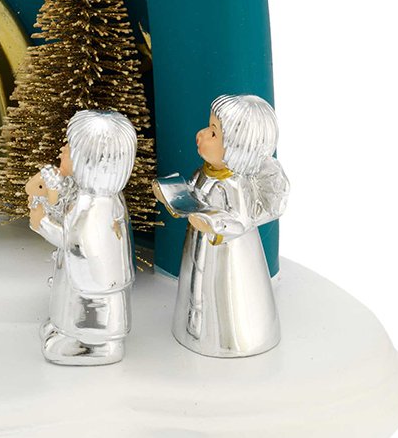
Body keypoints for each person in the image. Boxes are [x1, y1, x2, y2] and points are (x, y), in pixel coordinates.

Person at [160, 94, 289, 358]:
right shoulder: (204, 172)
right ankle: (194, 329)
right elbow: (194, 195)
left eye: (213, 133)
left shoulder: (234, 184)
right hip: (200, 249)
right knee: (198, 288)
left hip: (231, 256)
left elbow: (238, 221)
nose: (201, 134)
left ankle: (238, 337)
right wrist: (174, 194)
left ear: (236, 149)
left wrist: (211, 223)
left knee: (227, 297)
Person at [31, 110, 136, 365]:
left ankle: (96, 344)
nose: (62, 150)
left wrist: (42, 223)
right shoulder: (87, 196)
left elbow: (75, 243)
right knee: (69, 299)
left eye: (69, 147)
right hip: (77, 279)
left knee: (85, 308)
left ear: (89, 161)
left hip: (94, 287)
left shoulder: (98, 206)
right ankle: (63, 327)